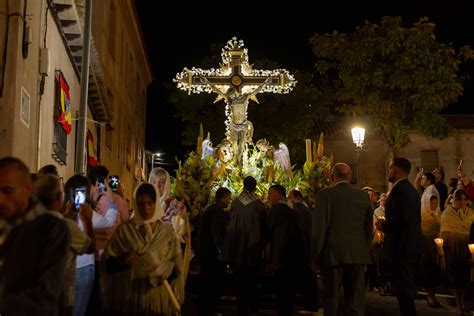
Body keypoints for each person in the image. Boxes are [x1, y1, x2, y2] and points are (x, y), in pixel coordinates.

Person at [0, 157, 70, 316]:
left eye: (7, 191)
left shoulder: (51, 229)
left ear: (27, 188)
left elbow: (46, 297)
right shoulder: (5, 223)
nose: (1, 200)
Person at [102, 183, 184, 315]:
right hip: (129, 299)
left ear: (156, 204)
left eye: (150, 203)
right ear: (135, 203)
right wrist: (123, 260)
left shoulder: (167, 235)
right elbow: (107, 264)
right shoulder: (124, 231)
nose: (146, 209)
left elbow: (176, 268)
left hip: (156, 300)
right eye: (141, 204)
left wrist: (167, 271)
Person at [312, 163, 373, 316]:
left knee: (331, 300)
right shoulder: (363, 195)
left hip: (333, 255)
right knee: (355, 301)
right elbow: (368, 229)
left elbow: (319, 229)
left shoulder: (325, 195)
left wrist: (315, 258)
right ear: (350, 177)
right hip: (357, 255)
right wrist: (365, 251)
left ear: (332, 176)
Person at [33, 174, 95, 316]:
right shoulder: (67, 226)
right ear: (60, 197)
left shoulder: (27, 224)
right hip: (60, 298)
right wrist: (87, 220)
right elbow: (89, 248)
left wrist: (66, 215)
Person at [376, 157, 422, 316]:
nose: (388, 171)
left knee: (404, 290)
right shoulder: (411, 190)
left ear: (397, 169)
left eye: (390, 168)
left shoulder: (401, 191)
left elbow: (403, 219)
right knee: (404, 289)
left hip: (402, 247)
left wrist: (384, 226)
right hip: (409, 245)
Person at [200, 75, 273, 163]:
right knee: (234, 143)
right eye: (230, 97)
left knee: (242, 143)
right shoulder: (230, 100)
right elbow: (217, 91)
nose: (231, 98)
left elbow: (256, 91)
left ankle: (239, 160)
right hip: (234, 124)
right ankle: (235, 159)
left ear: (235, 92)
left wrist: (265, 82)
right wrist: (207, 82)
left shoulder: (245, 98)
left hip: (243, 124)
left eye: (232, 96)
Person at [223, 176, 266, 316]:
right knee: (252, 279)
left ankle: (241, 307)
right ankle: (253, 306)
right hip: (253, 248)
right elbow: (264, 227)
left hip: (237, 248)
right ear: (254, 187)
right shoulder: (259, 205)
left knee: (239, 279)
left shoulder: (235, 203)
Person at [148, 167, 191, 283]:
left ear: (166, 185)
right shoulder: (144, 203)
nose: (157, 186)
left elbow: (177, 233)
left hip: (166, 259)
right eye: (153, 182)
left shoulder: (176, 206)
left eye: (161, 183)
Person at [197, 187, 232, 316]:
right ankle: (209, 309)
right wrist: (220, 250)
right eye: (228, 197)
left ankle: (204, 308)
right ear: (221, 197)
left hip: (206, 252)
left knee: (206, 280)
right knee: (213, 282)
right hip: (212, 253)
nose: (229, 200)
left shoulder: (210, 209)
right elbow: (216, 231)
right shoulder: (217, 210)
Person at [440, 188, 474, 315]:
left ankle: (464, 303)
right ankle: (459, 305)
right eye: (459, 199)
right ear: (454, 199)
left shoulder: (469, 212)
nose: (462, 202)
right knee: (456, 278)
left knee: (465, 277)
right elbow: (444, 232)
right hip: (454, 249)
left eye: (464, 199)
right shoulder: (447, 213)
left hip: (467, 248)